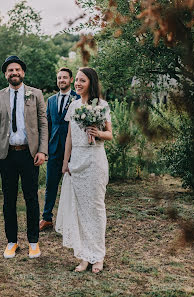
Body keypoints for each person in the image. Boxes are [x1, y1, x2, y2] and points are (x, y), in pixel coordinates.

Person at [0, 55, 47, 259]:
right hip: (7, 156)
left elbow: (43, 124)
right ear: (6, 74)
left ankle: (33, 242)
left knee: (31, 199)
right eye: (10, 70)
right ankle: (12, 242)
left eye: (17, 69)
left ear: (23, 72)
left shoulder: (36, 94)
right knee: (8, 200)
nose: (14, 73)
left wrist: (42, 150)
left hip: (30, 155)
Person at [55, 67, 113, 273]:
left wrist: (97, 132)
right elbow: (70, 137)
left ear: (91, 82)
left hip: (95, 160)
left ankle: (98, 256)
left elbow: (110, 135)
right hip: (76, 161)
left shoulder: (102, 105)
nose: (77, 83)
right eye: (76, 80)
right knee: (79, 210)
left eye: (82, 80)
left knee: (95, 209)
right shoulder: (74, 105)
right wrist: (65, 162)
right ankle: (84, 256)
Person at [40, 67, 80, 231]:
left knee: (75, 185)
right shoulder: (50, 100)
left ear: (71, 80)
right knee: (51, 185)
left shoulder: (78, 98)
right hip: (54, 148)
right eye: (59, 78)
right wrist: (44, 148)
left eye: (64, 77)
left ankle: (75, 219)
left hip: (75, 148)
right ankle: (47, 218)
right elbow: (47, 125)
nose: (61, 80)